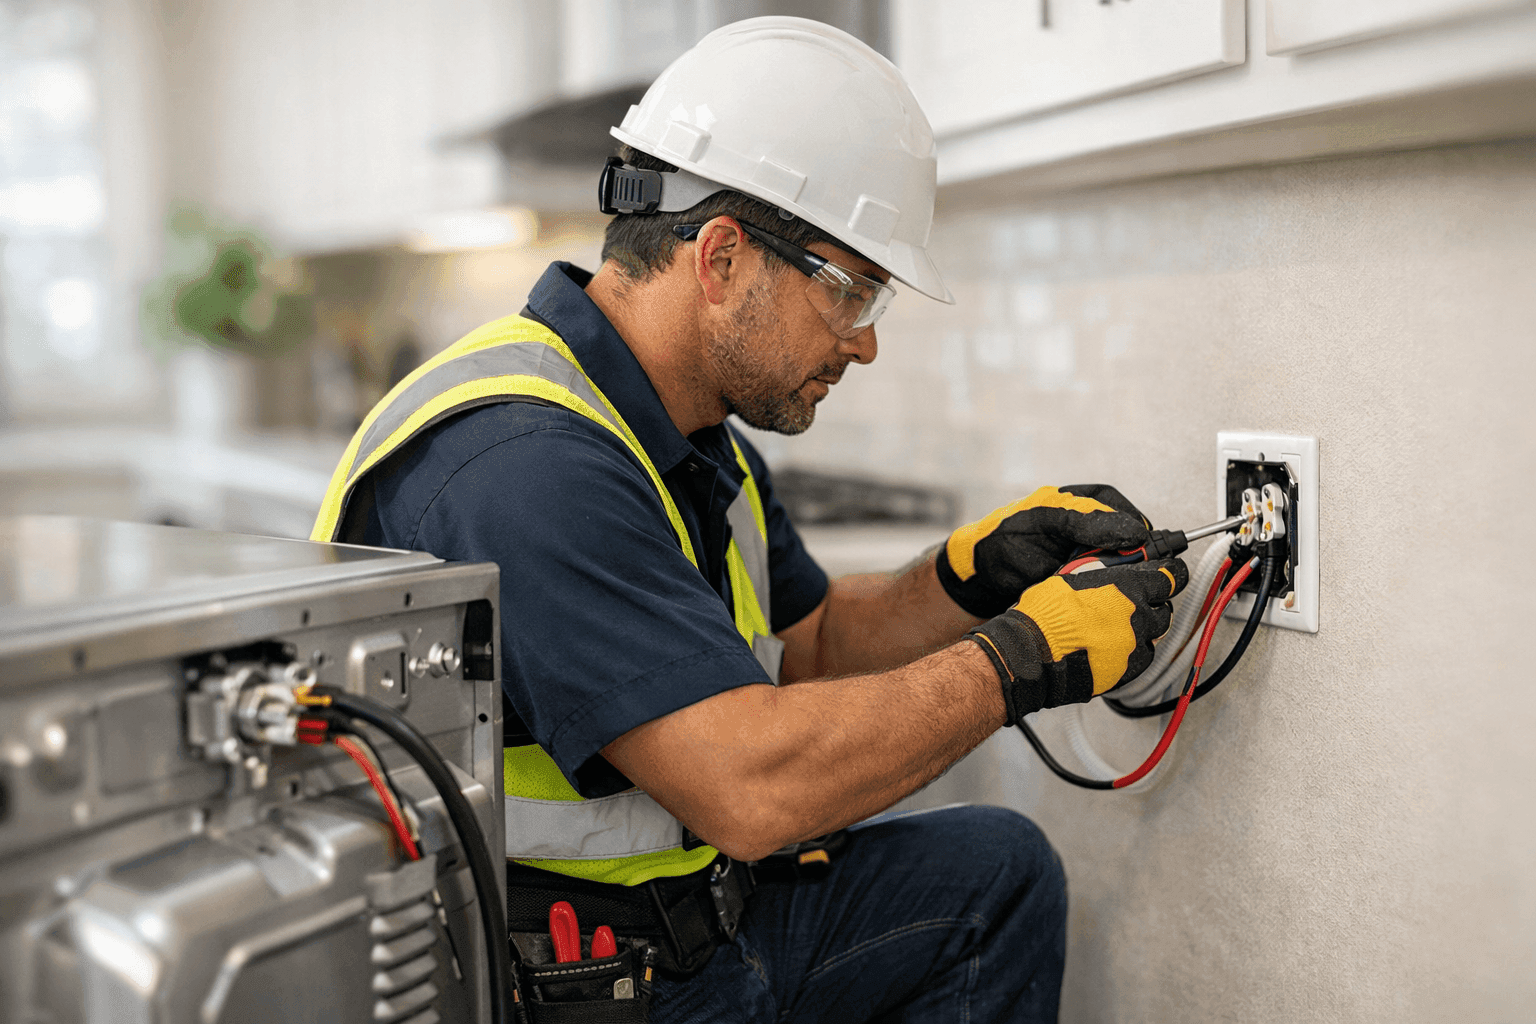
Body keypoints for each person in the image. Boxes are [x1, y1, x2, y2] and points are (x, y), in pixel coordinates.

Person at [313, 17, 1186, 1023]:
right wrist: (1020, 660)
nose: (862, 345)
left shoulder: (687, 428)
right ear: (722, 259)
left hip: (695, 926)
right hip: (559, 986)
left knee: (993, 878)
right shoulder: (524, 465)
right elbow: (750, 791)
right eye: (850, 291)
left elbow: (809, 644)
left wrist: (972, 576)